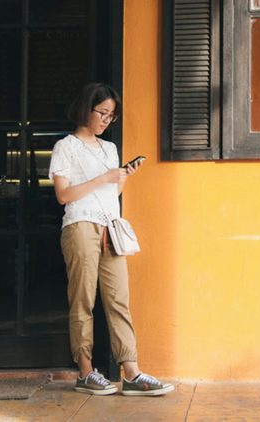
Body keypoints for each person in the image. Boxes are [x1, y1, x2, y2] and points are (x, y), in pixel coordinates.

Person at [49, 82, 173, 396]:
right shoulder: (67, 146)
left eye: (111, 116)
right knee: (83, 300)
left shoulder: (110, 149)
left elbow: (110, 195)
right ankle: (86, 372)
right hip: (80, 226)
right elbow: (64, 195)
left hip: (110, 228)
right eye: (102, 112)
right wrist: (104, 177)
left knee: (119, 299)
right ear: (85, 109)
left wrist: (122, 178)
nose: (106, 120)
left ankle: (130, 372)